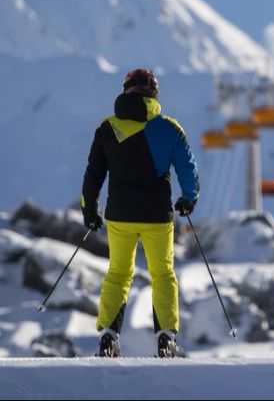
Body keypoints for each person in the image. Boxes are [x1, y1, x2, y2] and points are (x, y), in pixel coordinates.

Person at [81, 68, 199, 358]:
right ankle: (166, 338)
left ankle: (109, 335)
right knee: (162, 274)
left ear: (126, 91)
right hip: (157, 215)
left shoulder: (107, 128)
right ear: (154, 94)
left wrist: (90, 209)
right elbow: (187, 166)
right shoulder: (169, 127)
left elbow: (93, 174)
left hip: (119, 214)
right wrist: (188, 198)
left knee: (118, 274)